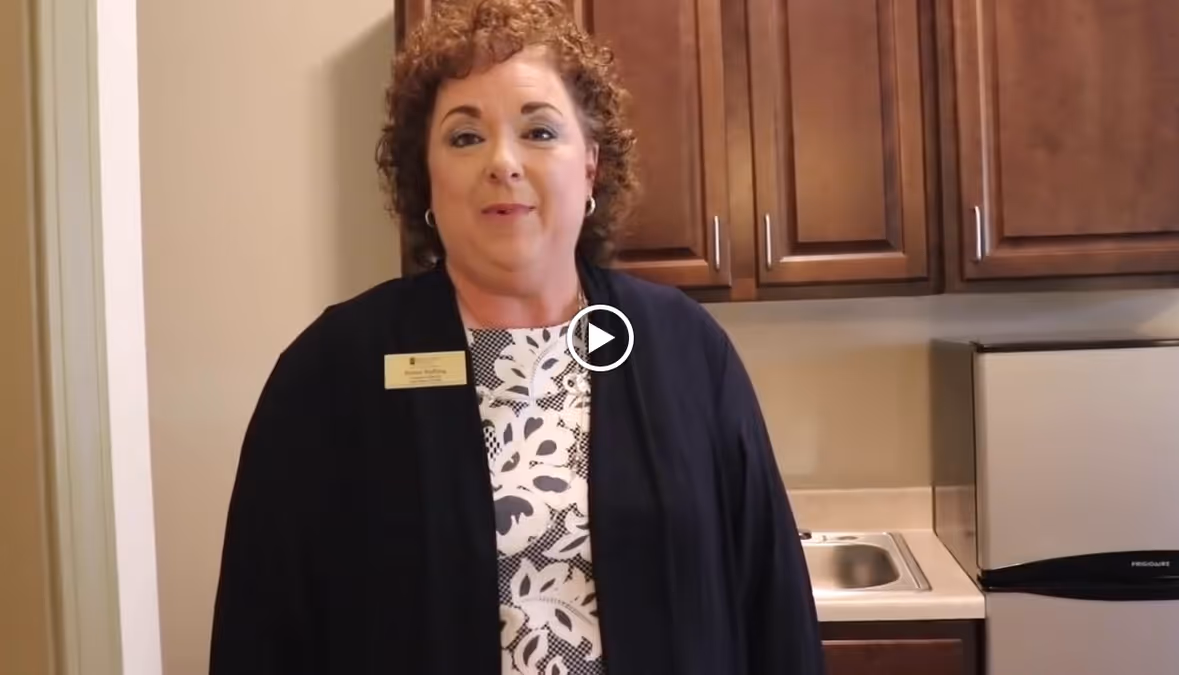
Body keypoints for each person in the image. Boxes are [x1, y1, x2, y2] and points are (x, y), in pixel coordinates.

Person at [207, 0, 824, 673]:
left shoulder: (686, 349)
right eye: (465, 137)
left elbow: (774, 609)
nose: (503, 162)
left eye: (539, 131)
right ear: (426, 181)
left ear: (589, 165)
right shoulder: (331, 372)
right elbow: (260, 633)